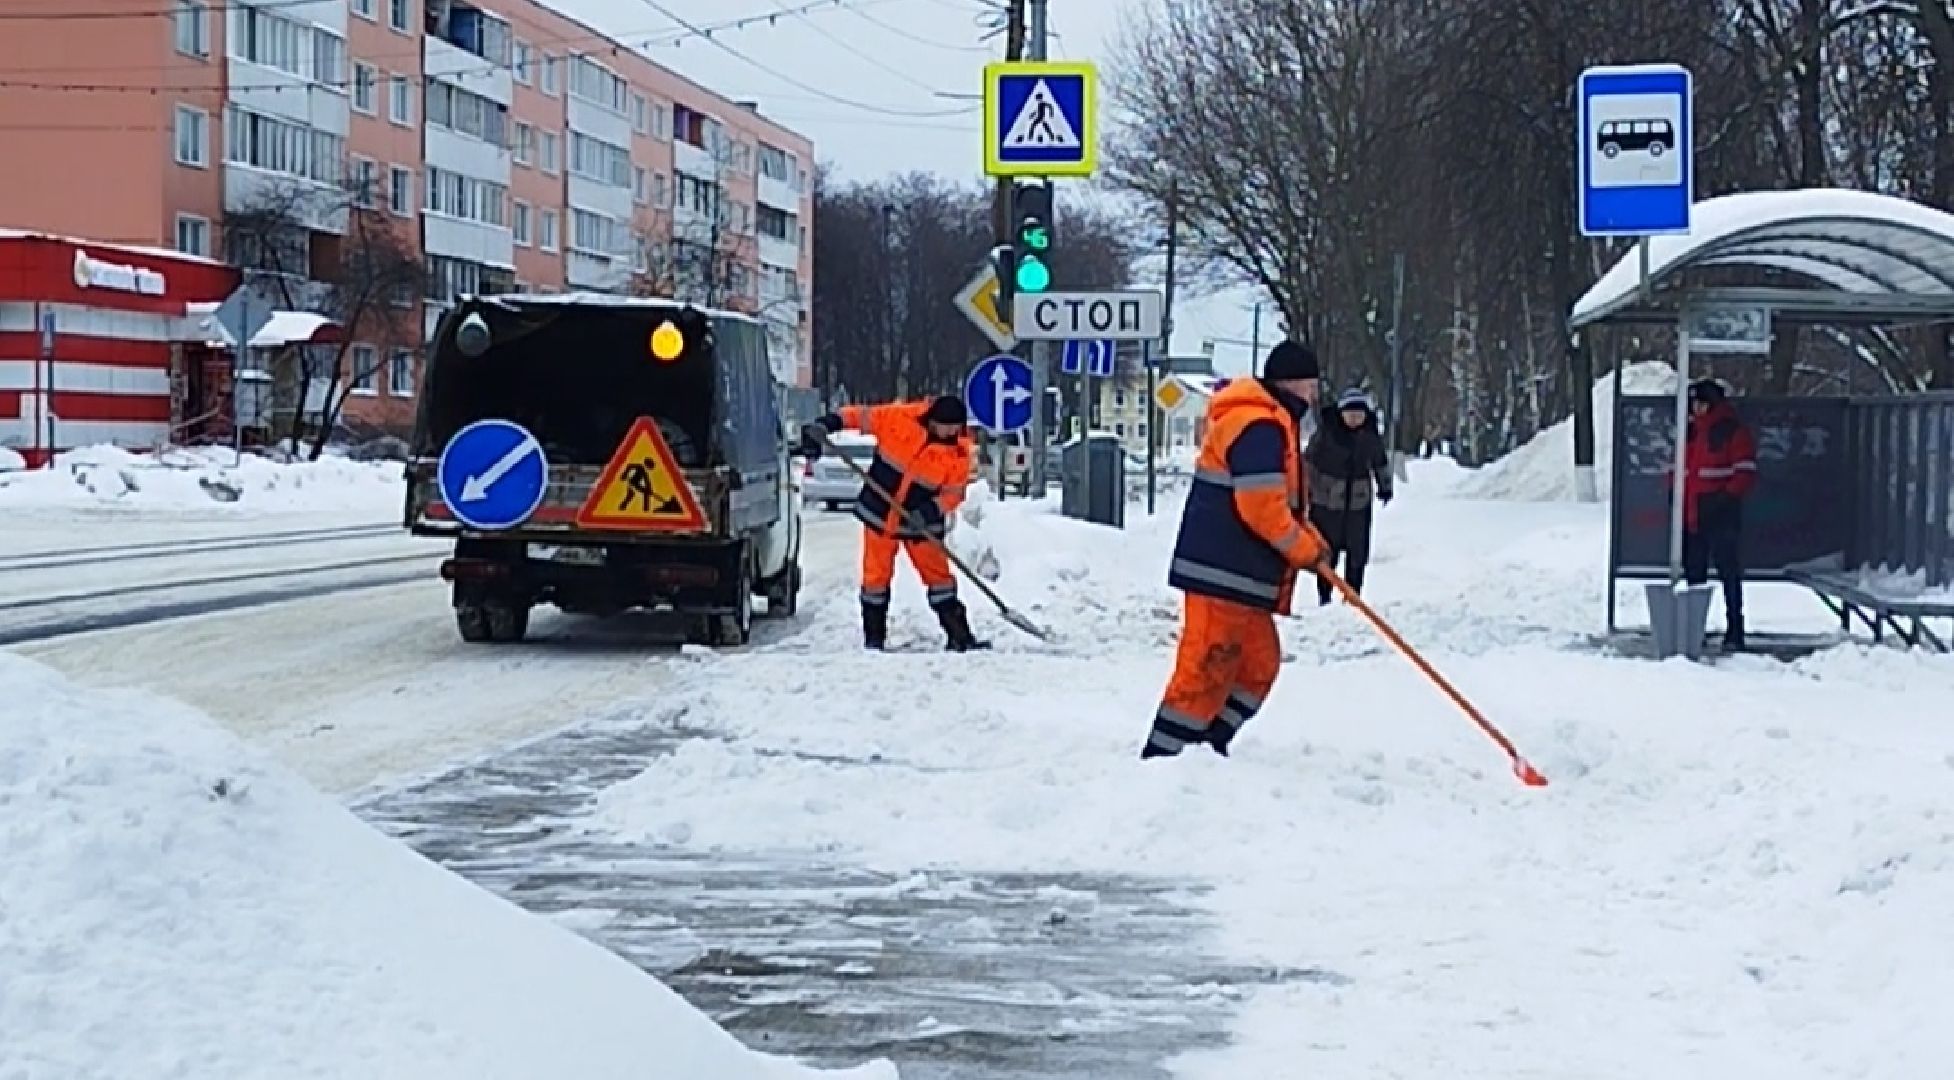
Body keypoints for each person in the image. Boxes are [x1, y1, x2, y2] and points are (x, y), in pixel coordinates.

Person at [1142, 340, 1329, 760]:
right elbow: (1260, 508)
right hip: (1221, 572)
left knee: (1257, 666)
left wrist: (1310, 538)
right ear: (1295, 383)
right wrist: (1303, 552)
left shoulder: (1273, 421)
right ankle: (1163, 760)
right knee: (1205, 668)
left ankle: (1208, 746)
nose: (1315, 396)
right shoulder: (1257, 425)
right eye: (1312, 386)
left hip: (1244, 577)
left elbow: (1278, 501)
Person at [800, 396, 988, 652]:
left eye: (956, 428)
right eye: (946, 427)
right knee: (875, 579)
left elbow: (953, 494)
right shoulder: (900, 419)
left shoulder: (959, 453)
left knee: (940, 579)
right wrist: (828, 423)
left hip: (921, 524)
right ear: (931, 420)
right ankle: (874, 639)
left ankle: (959, 636)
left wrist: (929, 510)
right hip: (880, 514)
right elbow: (861, 417)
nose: (951, 432)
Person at [1681, 377, 1758, 651]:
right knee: (1694, 572)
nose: (1695, 409)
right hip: (1694, 512)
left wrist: (1725, 499)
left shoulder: (1731, 431)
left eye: (1699, 403)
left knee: (1728, 573)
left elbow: (1745, 472)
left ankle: (1735, 628)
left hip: (1720, 513)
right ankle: (1694, 628)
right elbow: (1681, 469)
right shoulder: (1691, 432)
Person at [1307, 388, 1394, 605]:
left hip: (1358, 504)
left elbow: (1380, 463)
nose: (1354, 419)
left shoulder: (1370, 436)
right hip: (1327, 503)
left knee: (1357, 553)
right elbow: (1308, 463)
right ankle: (1324, 596)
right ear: (1341, 413)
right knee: (1328, 553)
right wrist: (1304, 489)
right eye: (1350, 413)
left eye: (1359, 414)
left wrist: (1385, 486)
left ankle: (1353, 597)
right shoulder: (1327, 433)